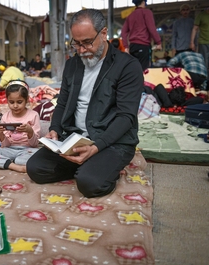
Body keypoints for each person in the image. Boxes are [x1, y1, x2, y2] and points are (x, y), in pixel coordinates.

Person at [26, 9, 143, 198]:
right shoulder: (73, 64)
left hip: (112, 141)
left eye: (87, 43)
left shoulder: (127, 66)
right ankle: (88, 165)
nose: (81, 50)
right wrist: (55, 128)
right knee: (35, 168)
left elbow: (126, 117)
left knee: (90, 184)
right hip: (75, 138)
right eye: (76, 44)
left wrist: (96, 147)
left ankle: (94, 168)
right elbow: (62, 103)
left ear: (103, 33)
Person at [0, 80, 41, 173]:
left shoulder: (33, 115)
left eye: (19, 102)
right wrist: (0, 133)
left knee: (40, 154)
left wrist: (30, 131)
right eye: (11, 102)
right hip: (9, 150)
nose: (15, 106)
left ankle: (2, 163)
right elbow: (5, 145)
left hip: (27, 150)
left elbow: (34, 144)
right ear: (7, 101)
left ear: (27, 100)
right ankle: (16, 167)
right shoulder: (5, 116)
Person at [121, 0, 162, 70]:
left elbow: (123, 32)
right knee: (144, 71)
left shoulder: (130, 16)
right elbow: (151, 28)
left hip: (133, 47)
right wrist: (158, 42)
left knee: (134, 70)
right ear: (143, 1)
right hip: (143, 46)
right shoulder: (147, 12)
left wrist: (126, 47)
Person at [190, 7, 209, 78]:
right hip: (203, 42)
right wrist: (192, 42)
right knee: (204, 64)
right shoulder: (201, 15)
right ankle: (204, 83)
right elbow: (195, 29)